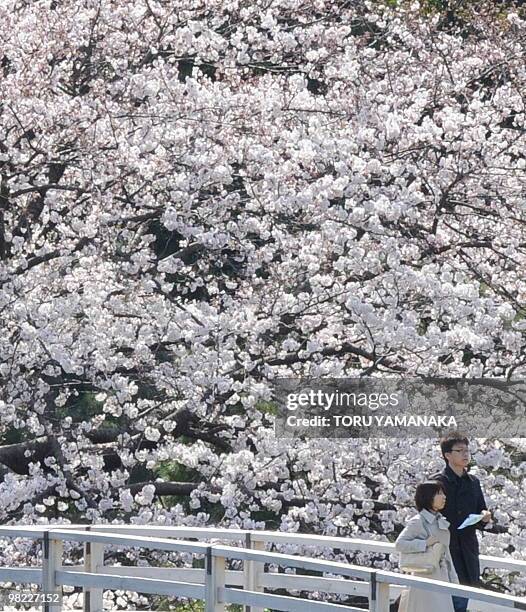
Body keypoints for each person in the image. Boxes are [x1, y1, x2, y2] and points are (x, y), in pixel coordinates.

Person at [430, 433, 492, 612]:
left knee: (470, 594)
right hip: (446, 547)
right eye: (459, 451)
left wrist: (484, 516)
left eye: (467, 450)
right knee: (450, 598)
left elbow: (481, 508)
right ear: (447, 455)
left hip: (468, 546)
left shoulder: (473, 482)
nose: (465, 454)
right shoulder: (437, 482)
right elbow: (429, 515)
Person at [395, 480, 459, 612]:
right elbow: (400, 544)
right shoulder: (418, 521)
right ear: (428, 497)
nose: (444, 497)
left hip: (441, 576)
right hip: (424, 575)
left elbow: (446, 553)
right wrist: (424, 543)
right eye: (439, 494)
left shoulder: (440, 520)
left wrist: (454, 579)